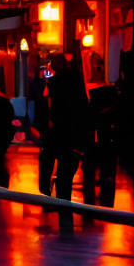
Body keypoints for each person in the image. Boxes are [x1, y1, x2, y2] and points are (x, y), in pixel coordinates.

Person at [39, 52, 89, 204]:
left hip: (57, 129)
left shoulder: (53, 82)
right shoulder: (77, 80)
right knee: (66, 172)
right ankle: (63, 201)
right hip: (72, 131)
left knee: (48, 161)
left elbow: (48, 101)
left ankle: (47, 193)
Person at [83, 82, 120, 207]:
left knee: (90, 171)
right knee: (107, 172)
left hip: (95, 139)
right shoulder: (111, 96)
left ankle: (90, 203)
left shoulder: (91, 95)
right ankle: (106, 203)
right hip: (106, 139)